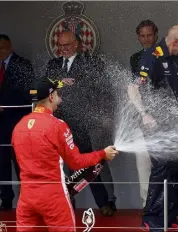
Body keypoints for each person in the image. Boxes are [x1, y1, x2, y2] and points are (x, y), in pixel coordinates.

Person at [11, 77, 119, 232]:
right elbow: (76, 162)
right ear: (51, 96)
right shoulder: (57, 125)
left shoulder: (19, 125)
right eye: (57, 92)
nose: (59, 97)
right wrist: (103, 154)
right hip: (53, 196)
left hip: (26, 197)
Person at [128, 24, 178, 231]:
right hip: (154, 124)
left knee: (177, 168)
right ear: (174, 41)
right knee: (161, 168)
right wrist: (144, 114)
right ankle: (151, 218)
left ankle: (170, 216)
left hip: (171, 124)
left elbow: (174, 92)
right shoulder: (151, 56)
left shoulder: (175, 59)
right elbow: (134, 88)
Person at [45, 31, 116, 216]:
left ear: (77, 44)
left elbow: (97, 89)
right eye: (60, 46)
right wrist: (59, 83)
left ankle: (103, 203)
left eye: (67, 45)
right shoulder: (53, 64)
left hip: (79, 122)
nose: (63, 49)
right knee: (58, 166)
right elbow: (43, 86)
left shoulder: (89, 63)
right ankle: (66, 206)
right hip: (55, 122)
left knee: (86, 161)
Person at [0, 34, 34, 210]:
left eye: (3, 47)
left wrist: (6, 106)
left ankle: (25, 201)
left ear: (10, 46)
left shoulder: (23, 64)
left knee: (21, 163)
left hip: (17, 122)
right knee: (1, 163)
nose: (0, 52)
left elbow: (29, 93)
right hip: (0, 125)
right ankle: (5, 200)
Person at [128, 20, 158, 207]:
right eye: (142, 36)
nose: (146, 39)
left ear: (156, 35)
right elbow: (136, 87)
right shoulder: (135, 58)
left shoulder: (166, 55)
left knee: (163, 165)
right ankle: (146, 206)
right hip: (142, 115)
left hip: (163, 116)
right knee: (143, 163)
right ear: (138, 37)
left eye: (149, 35)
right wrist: (142, 112)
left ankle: (163, 207)